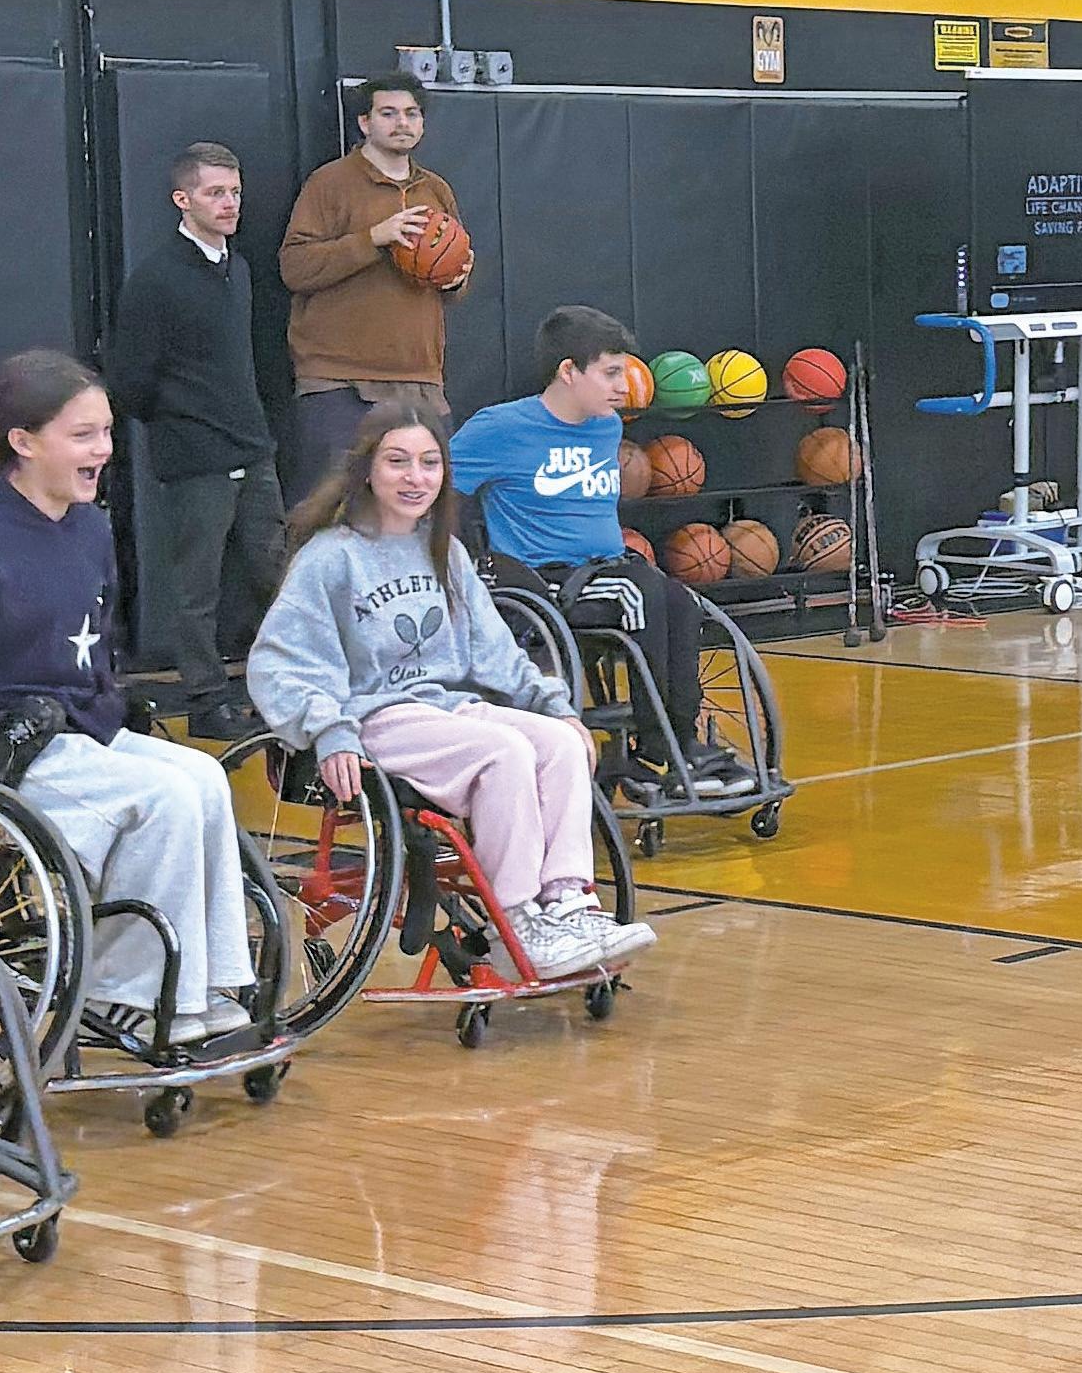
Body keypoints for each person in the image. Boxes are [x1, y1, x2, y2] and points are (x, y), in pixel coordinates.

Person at [0, 351, 258, 1051]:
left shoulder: (89, 527)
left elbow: (91, 652)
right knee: (162, 798)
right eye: (83, 435)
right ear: (24, 442)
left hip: (68, 730)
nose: (104, 450)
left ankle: (207, 982)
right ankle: (122, 991)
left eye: (107, 432)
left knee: (205, 777)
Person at [250, 396, 652, 978]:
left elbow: (497, 651)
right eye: (397, 461)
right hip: (373, 719)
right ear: (367, 469)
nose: (415, 477)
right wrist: (328, 731)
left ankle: (568, 901)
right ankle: (515, 919)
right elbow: (279, 663)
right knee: (503, 751)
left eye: (429, 463)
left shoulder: (445, 552)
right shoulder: (331, 557)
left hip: (448, 711)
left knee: (560, 743)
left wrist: (555, 707)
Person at [452, 306, 749, 798]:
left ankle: (682, 741)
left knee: (680, 600)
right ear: (568, 371)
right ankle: (666, 747)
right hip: (543, 580)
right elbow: (438, 486)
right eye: (611, 373)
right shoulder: (500, 428)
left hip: (608, 569)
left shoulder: (606, 426)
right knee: (643, 593)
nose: (623, 386)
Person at [106, 141, 283, 741]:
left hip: (252, 448)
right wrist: (184, 423)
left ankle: (281, 689)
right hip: (196, 458)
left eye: (234, 192)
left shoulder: (239, 269)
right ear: (182, 199)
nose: (229, 203)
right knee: (196, 587)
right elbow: (130, 380)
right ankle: (207, 700)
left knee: (274, 575)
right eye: (215, 193)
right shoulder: (155, 280)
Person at [282, 72, 462, 489]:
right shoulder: (330, 183)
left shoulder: (436, 190)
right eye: (389, 113)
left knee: (421, 504)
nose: (402, 123)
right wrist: (374, 238)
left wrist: (456, 275)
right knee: (334, 504)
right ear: (364, 122)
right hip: (340, 381)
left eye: (412, 114)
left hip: (420, 379)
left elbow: (450, 284)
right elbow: (295, 267)